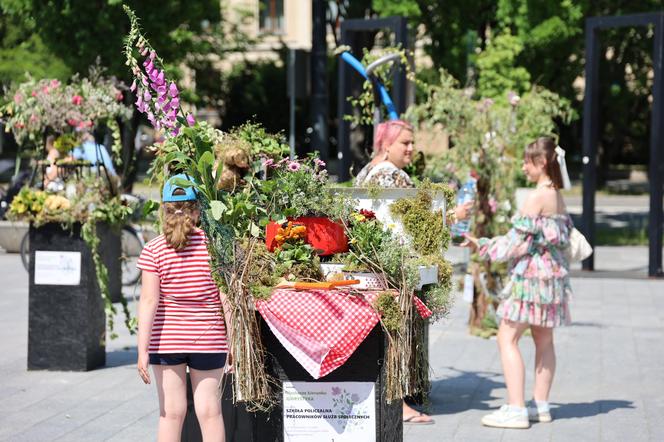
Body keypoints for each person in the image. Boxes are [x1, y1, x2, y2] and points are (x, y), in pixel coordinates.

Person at [356, 119, 472, 425]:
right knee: (400, 332)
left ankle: (400, 400)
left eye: (412, 142)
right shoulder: (393, 176)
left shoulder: (367, 171)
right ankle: (401, 404)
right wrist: (454, 215)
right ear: (386, 143)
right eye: (405, 143)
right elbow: (416, 224)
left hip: (374, 263)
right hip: (399, 267)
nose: (411, 149)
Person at [463, 137, 573, 429]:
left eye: (527, 161)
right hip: (552, 281)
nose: (523, 167)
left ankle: (516, 408)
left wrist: (482, 245)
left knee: (506, 337)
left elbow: (516, 243)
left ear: (540, 163)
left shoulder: (537, 196)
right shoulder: (558, 195)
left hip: (530, 279)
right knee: (544, 340)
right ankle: (541, 405)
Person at [137, 174, 232, 441]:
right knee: (210, 412)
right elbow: (226, 298)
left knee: (171, 414)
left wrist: (142, 350)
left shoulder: (153, 249)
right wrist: (234, 341)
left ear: (164, 210)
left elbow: (149, 302)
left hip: (166, 341)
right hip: (210, 339)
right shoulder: (216, 248)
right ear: (199, 209)